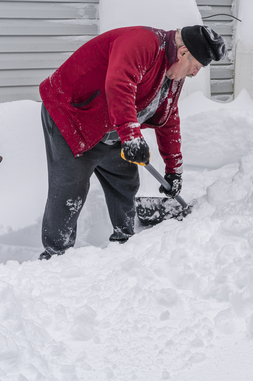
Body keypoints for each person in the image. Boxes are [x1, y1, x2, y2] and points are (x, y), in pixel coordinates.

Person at [38, 25, 227, 260]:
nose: (195, 74)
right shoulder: (143, 43)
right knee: (70, 190)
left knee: (124, 182)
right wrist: (131, 134)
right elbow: (119, 84)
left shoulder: (173, 76)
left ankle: (124, 241)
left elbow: (168, 117)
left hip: (111, 125)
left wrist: (174, 170)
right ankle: (56, 255)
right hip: (73, 114)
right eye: (196, 67)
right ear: (183, 52)